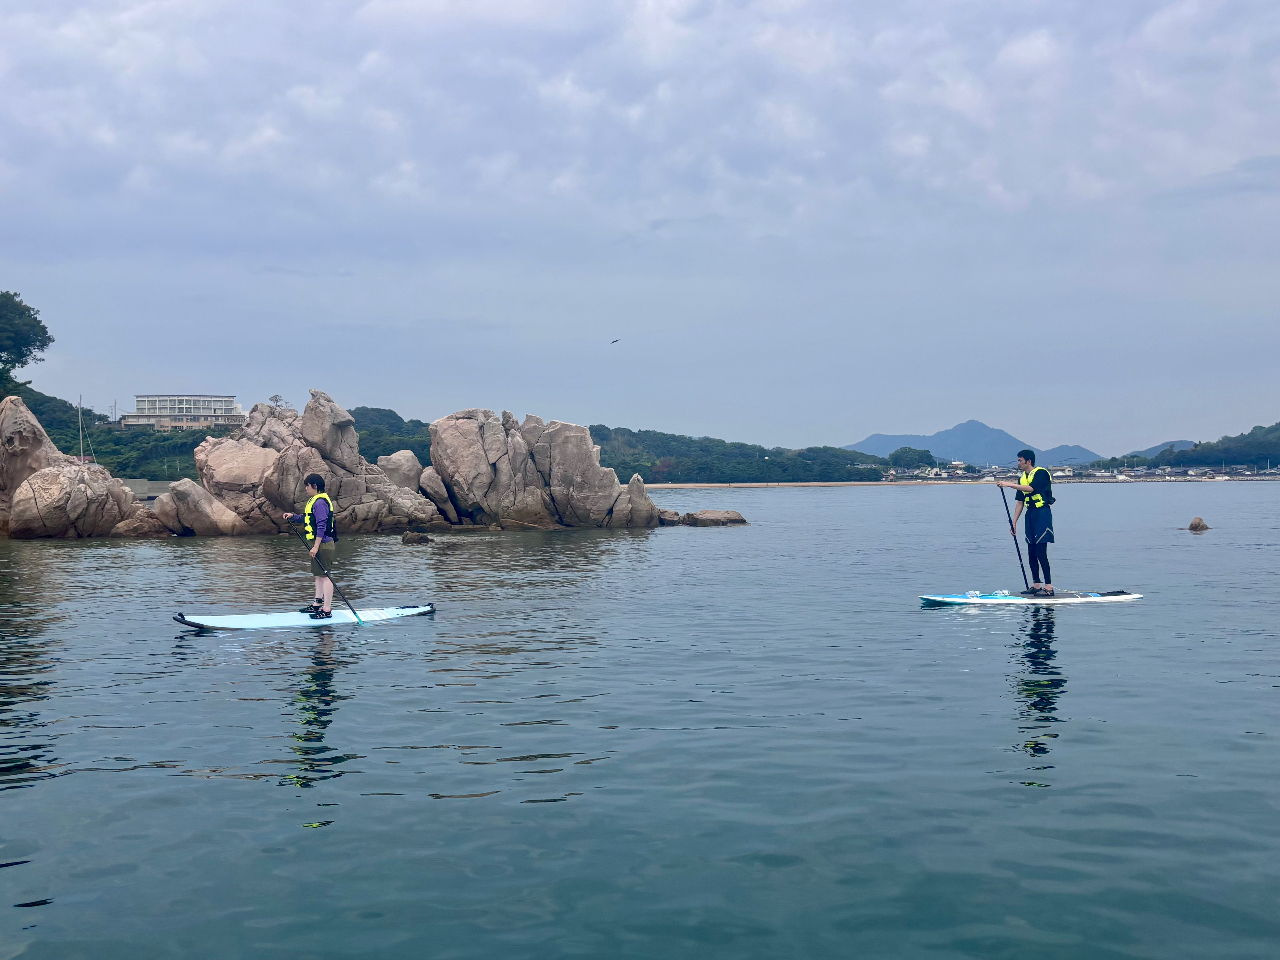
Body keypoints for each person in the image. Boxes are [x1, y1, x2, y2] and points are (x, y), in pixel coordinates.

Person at [998, 449, 1055, 596]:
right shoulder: (1022, 478)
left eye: (1020, 461)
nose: (1018, 463)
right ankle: (1036, 584)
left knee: (1041, 552)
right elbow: (1020, 502)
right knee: (1031, 552)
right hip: (1030, 515)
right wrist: (1014, 522)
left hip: (1042, 514)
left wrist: (1009, 484)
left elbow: (1031, 489)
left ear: (1028, 461)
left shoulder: (1041, 473)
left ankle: (1049, 587)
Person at [283, 474, 338, 619]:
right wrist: (293, 516)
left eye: (307, 486)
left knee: (325, 576)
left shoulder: (320, 503)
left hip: (323, 544)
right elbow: (307, 518)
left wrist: (316, 546)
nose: (306, 489)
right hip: (318, 544)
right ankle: (317, 604)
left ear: (315, 486)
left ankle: (327, 609)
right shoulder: (314, 501)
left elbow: (321, 525)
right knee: (318, 575)